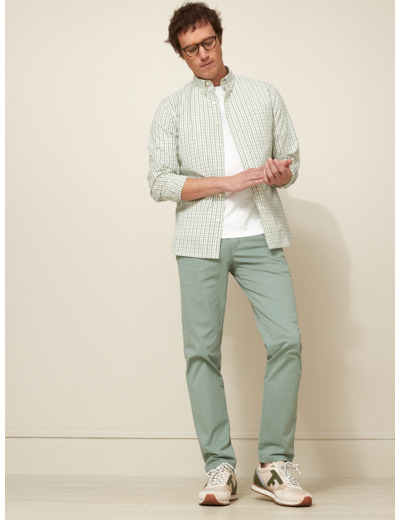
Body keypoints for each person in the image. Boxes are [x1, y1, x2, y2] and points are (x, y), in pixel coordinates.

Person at [147, 1, 312, 508]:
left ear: (220, 38)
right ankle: (219, 467)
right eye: (191, 49)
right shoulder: (172, 108)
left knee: (286, 341)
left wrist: (281, 173)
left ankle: (273, 465)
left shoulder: (264, 95)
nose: (203, 54)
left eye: (209, 42)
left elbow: (292, 160)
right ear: (180, 54)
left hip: (261, 234)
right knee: (202, 353)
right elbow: (159, 182)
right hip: (200, 240)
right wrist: (226, 182)